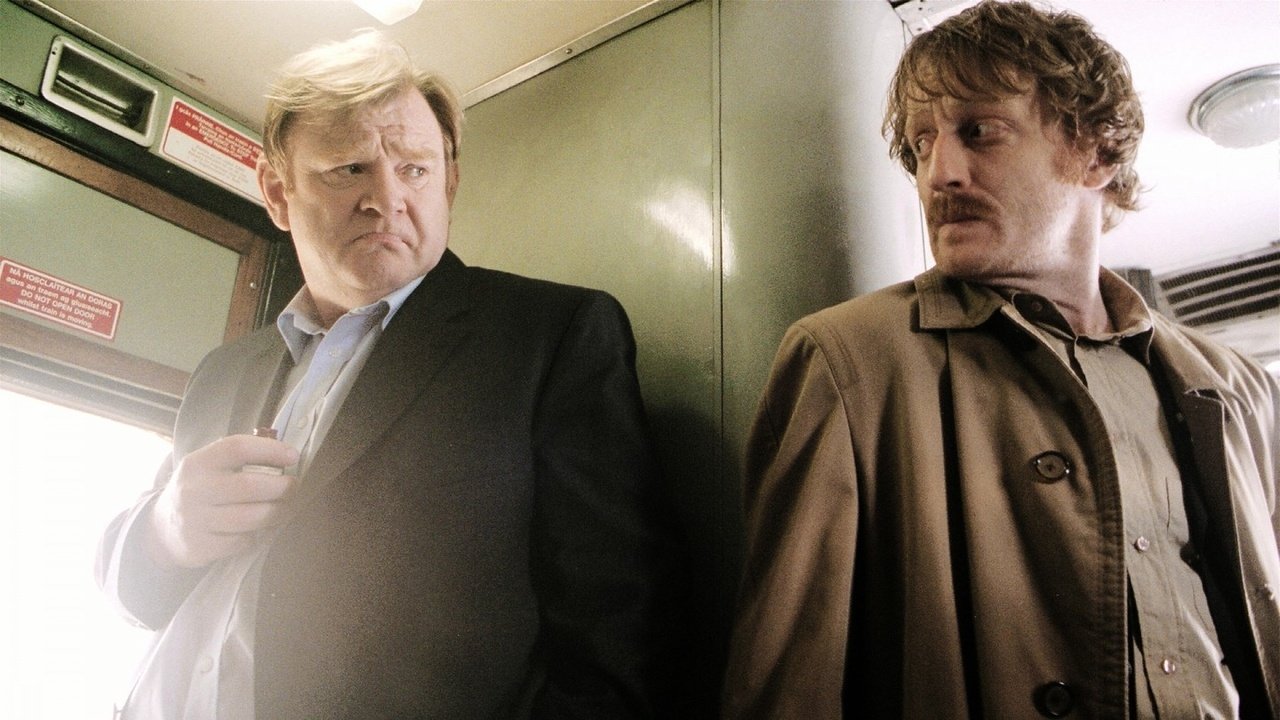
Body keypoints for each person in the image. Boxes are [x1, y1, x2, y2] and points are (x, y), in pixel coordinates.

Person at [97, 30, 683, 719]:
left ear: (450, 183)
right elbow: (133, 597)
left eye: (414, 169)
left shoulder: (551, 337)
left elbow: (617, 643)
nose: (386, 198)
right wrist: (164, 531)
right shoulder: (221, 372)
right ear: (277, 192)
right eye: (348, 169)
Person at [722, 2, 1279, 718]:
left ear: (1096, 152)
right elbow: (789, 692)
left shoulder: (1239, 387)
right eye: (920, 145)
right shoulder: (849, 362)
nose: (940, 174)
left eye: (978, 132)